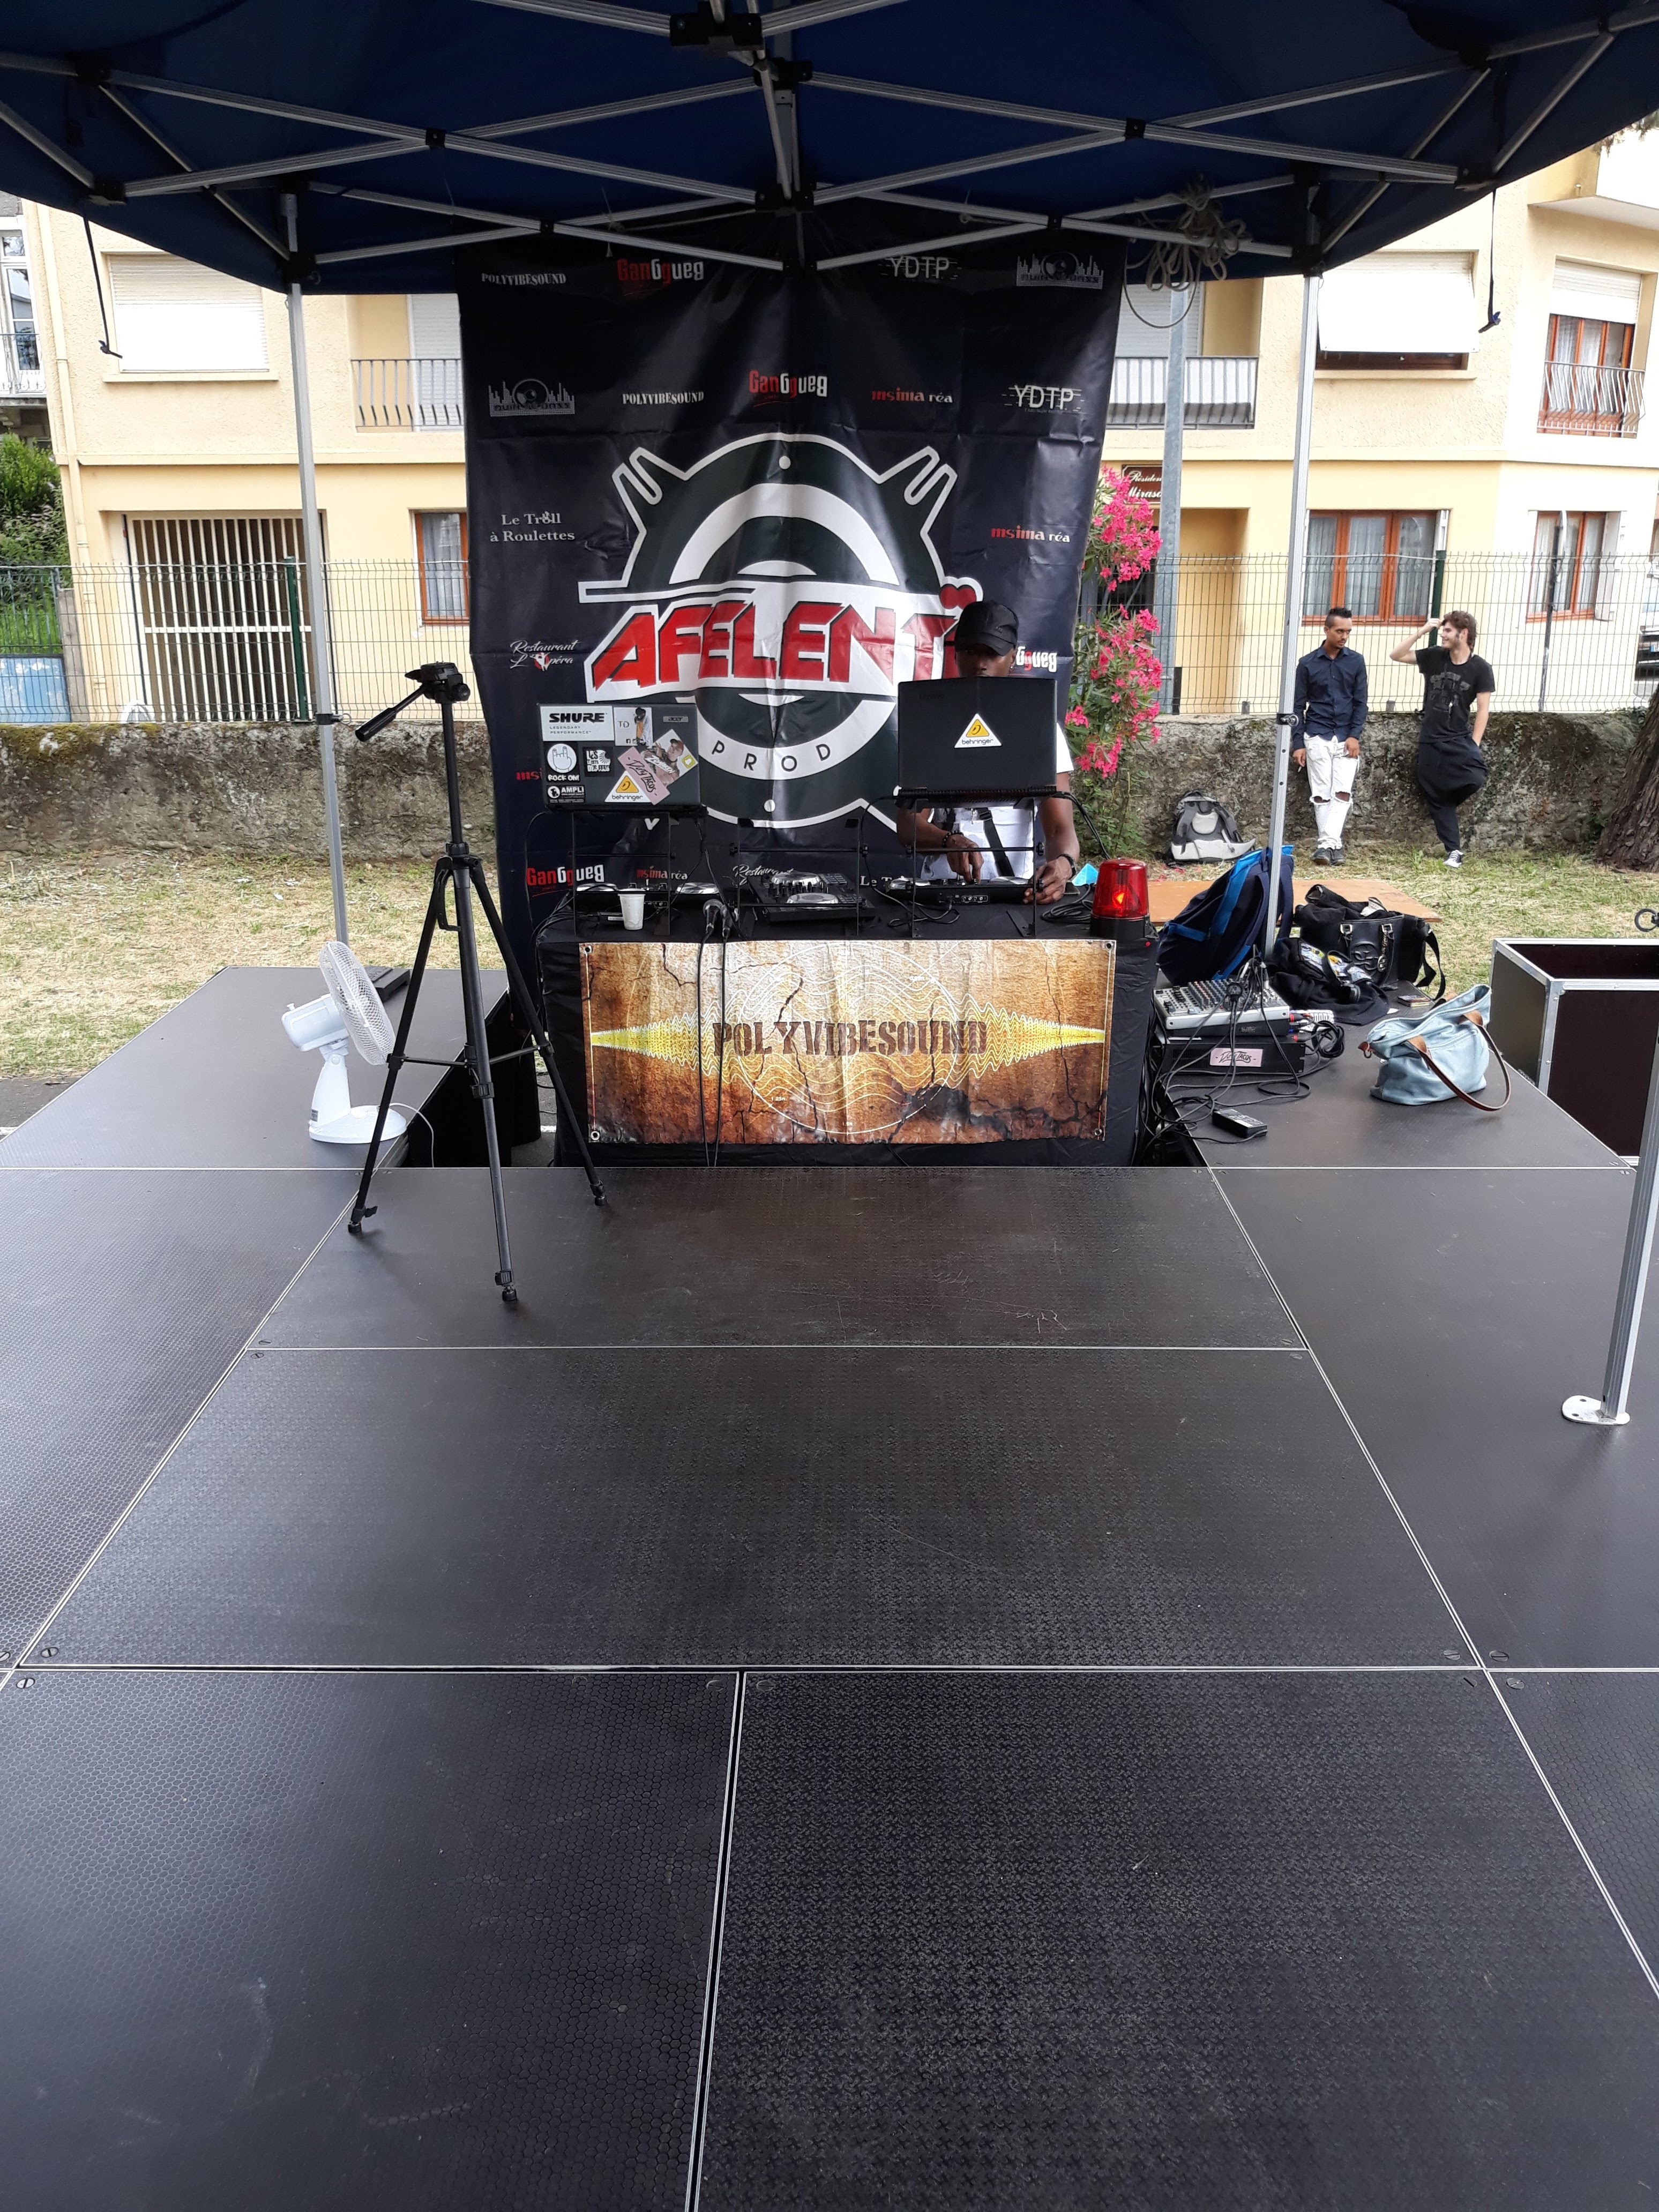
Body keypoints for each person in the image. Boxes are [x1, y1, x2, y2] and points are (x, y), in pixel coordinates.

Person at [895, 600, 1081, 904]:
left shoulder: (1039, 725)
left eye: (992, 653)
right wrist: (949, 841)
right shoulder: (929, 721)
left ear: (1012, 657)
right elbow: (907, 826)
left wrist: (1063, 865)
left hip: (1016, 892)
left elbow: (1061, 826)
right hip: (939, 894)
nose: (981, 663)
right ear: (956, 655)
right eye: (971, 651)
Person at [1390, 610, 1494, 868]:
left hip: (1459, 739)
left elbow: (1483, 710)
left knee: (1476, 776)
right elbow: (1396, 655)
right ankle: (1454, 852)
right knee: (1435, 797)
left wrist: (1474, 744)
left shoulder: (1481, 668)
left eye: (1448, 631)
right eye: (1443, 630)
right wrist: (1423, 630)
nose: (1443, 635)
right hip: (1430, 740)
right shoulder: (1435, 656)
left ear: (1464, 634)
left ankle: (1449, 803)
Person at [1291, 606, 1367, 868]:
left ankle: (1326, 844)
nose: (1344, 636)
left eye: (1348, 632)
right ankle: (1334, 846)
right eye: (1339, 631)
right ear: (1326, 630)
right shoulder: (1307, 664)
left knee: (1343, 792)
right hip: (1317, 735)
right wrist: (1298, 744)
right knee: (1321, 794)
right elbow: (1297, 706)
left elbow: (1361, 703)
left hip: (1346, 737)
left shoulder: (1356, 662)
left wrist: (1355, 735)